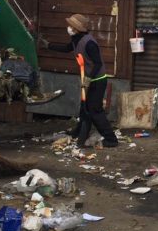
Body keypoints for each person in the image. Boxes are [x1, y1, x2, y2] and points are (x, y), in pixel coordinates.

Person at [45, 13, 119, 148]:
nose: (68, 27)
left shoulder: (89, 43)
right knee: (84, 109)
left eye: (70, 26)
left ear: (76, 28)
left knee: (95, 111)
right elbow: (67, 48)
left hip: (97, 80)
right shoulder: (76, 39)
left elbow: (98, 63)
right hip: (88, 80)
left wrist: (89, 79)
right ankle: (79, 132)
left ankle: (111, 139)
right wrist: (48, 45)